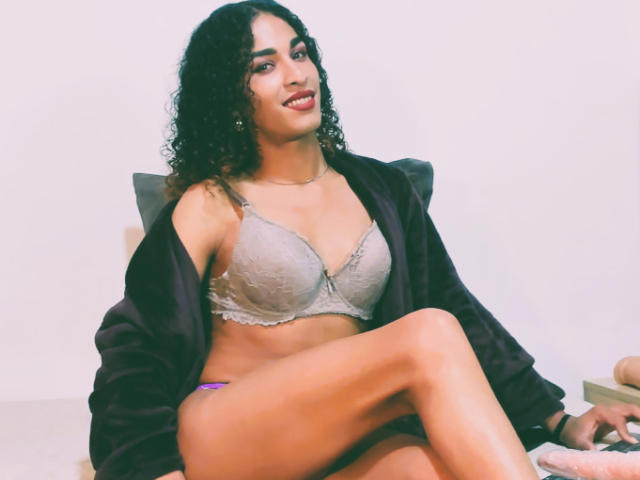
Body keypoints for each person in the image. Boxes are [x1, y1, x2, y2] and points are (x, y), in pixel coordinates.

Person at [88, 1, 640, 479]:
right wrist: (151, 468)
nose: (295, 74)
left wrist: (558, 421)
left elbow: (452, 306)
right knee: (425, 334)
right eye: (264, 65)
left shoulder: (382, 189)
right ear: (229, 96)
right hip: (231, 433)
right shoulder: (211, 201)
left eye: (300, 53)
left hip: (346, 440)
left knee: (449, 466)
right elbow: (135, 344)